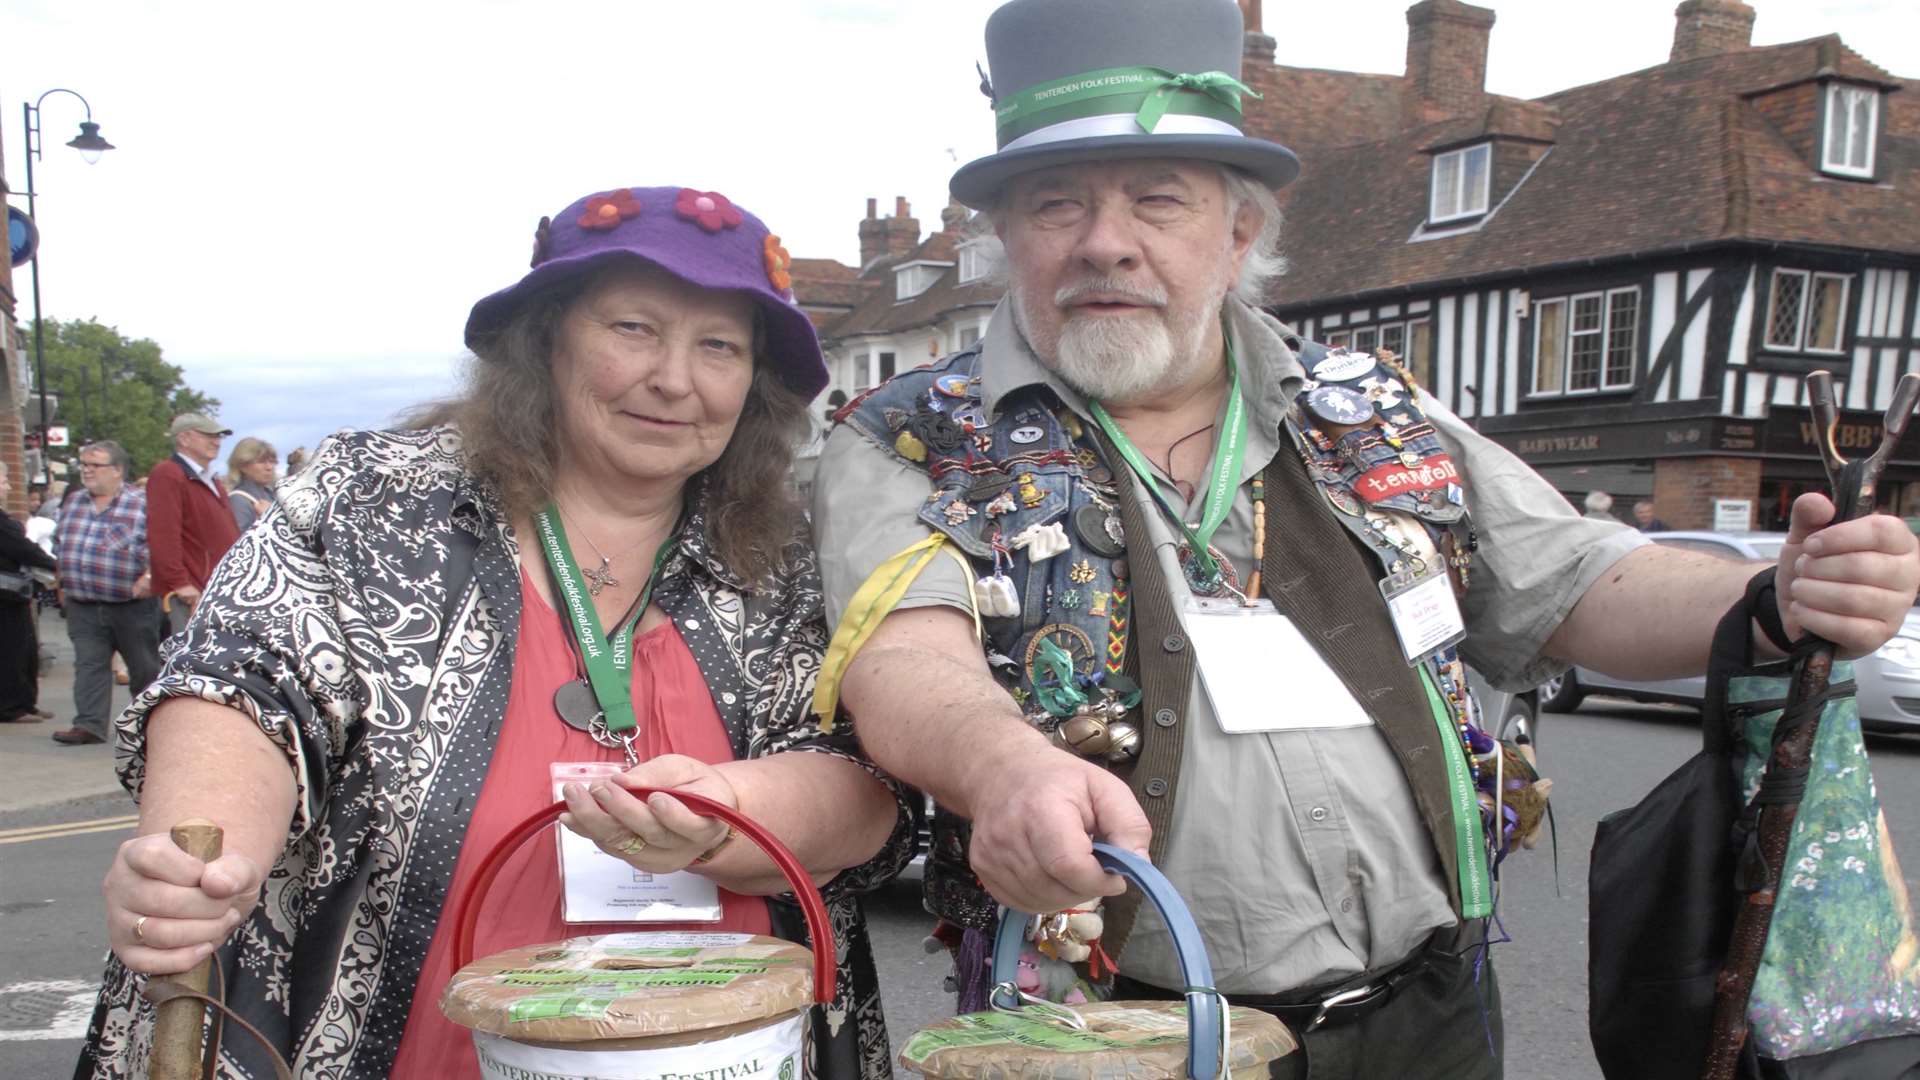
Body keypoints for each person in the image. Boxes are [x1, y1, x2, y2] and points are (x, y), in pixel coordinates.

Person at [808, 3, 1920, 1077]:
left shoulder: (1366, 404)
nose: (1108, 245)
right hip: (1117, 1035)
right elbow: (905, 661)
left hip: (1428, 1017)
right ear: (1005, 236)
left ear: (1238, 232)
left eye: (1159, 201)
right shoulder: (910, 435)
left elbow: (1578, 578)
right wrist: (1004, 768)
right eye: (1056, 205)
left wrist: (1780, 595)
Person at [77, 185, 916, 1080]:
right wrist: (202, 862)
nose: (675, 378)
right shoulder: (374, 495)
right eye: (632, 328)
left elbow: (866, 785)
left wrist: (723, 815)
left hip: (723, 1050)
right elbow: (242, 685)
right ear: (547, 338)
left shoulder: (785, 555)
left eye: (719, 345)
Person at [48, 441, 161, 746]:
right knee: (89, 665)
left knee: (144, 668)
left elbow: (160, 546)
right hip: (83, 603)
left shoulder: (141, 502)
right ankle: (89, 725)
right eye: (83, 464)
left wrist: (150, 576)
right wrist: (61, 583)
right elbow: (61, 545)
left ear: (117, 470)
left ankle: (151, 724)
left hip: (131, 606)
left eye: (95, 465)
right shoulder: (73, 502)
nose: (86, 470)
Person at [144, 413, 241, 624]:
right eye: (208, 436)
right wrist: (180, 583)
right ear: (184, 439)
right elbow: (162, 534)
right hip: (191, 593)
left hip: (213, 589)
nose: (216, 442)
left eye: (218, 437)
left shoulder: (210, 478)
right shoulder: (168, 474)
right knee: (193, 653)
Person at [0, 460, 59, 724]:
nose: (8, 487)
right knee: (11, 650)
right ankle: (12, 706)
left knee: (25, 649)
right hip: (5, 594)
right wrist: (55, 565)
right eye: (3, 482)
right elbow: (21, 547)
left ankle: (25, 702)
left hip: (13, 592)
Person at [223, 436, 279, 532]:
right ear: (243, 466)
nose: (269, 467)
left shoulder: (270, 493)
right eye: (261, 462)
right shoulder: (239, 500)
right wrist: (268, 519)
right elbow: (239, 542)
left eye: (272, 461)